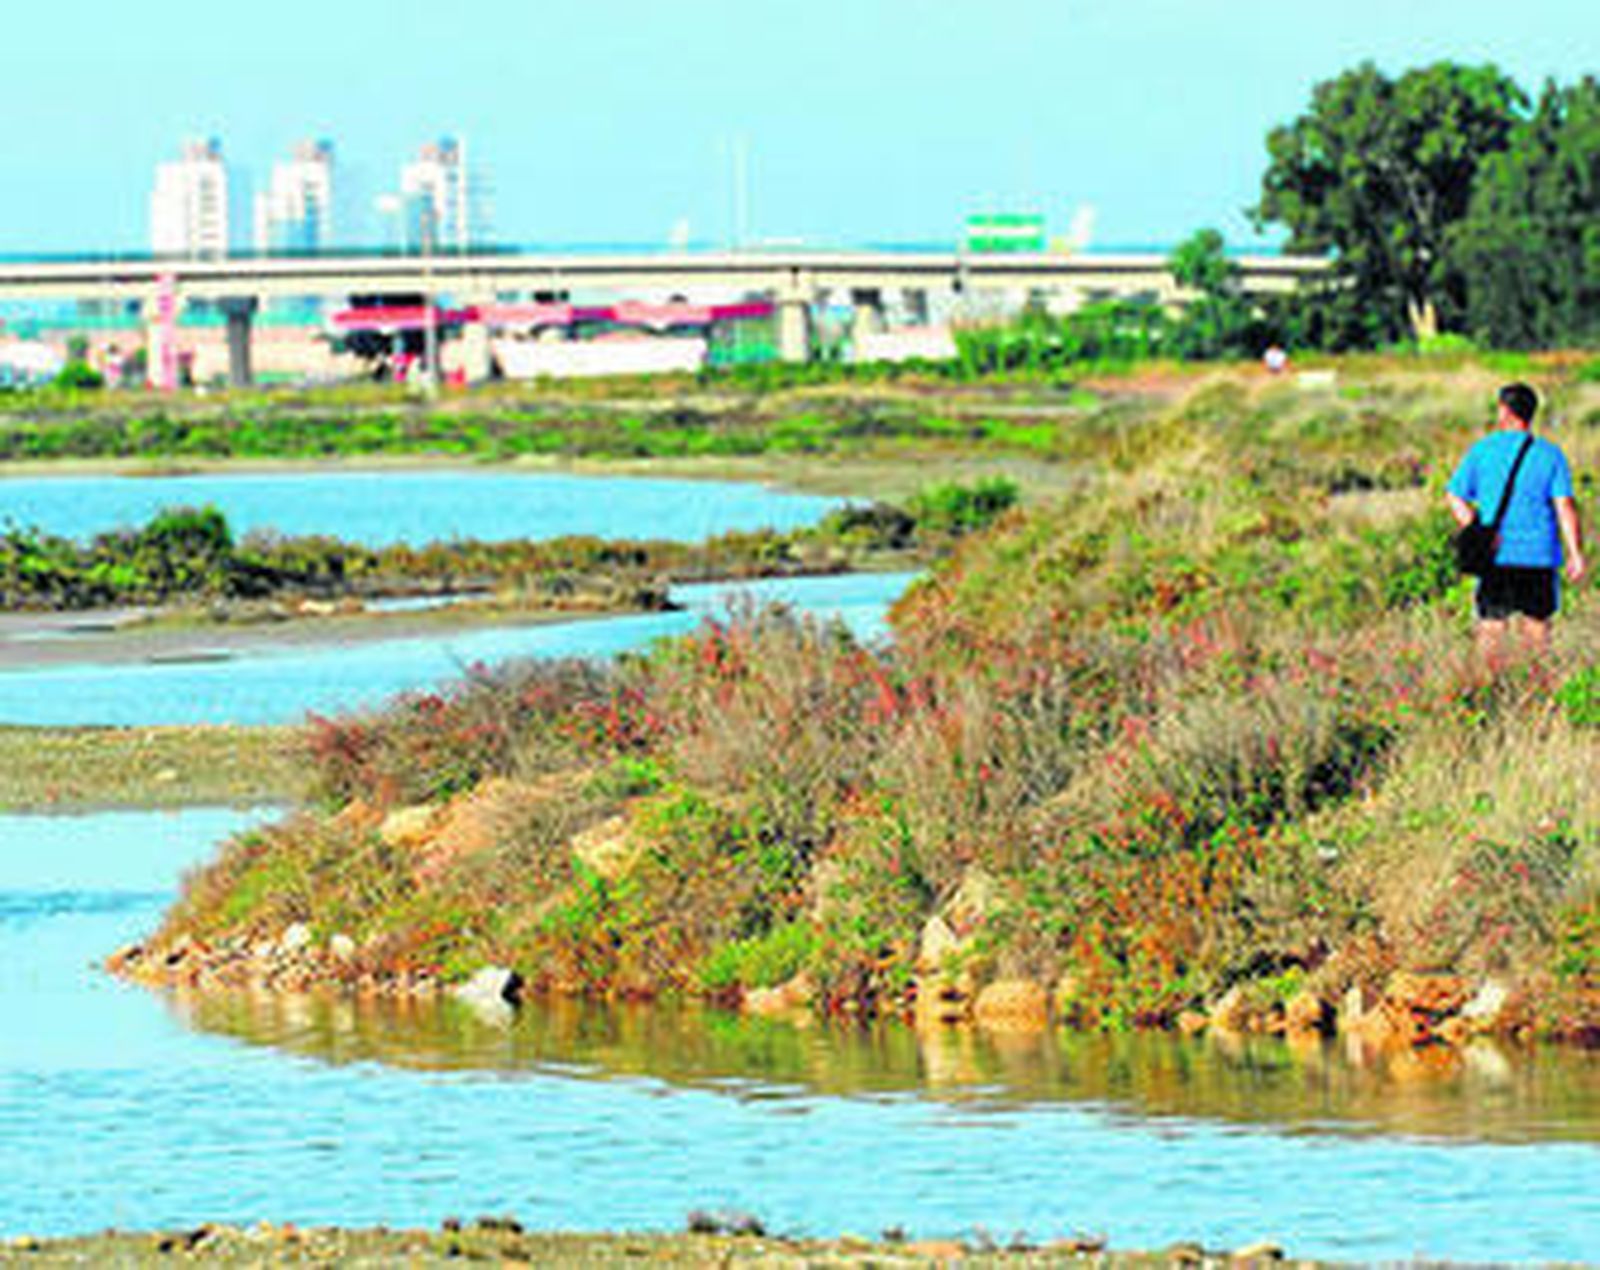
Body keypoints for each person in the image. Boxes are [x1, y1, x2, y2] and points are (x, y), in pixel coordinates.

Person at [1446, 383, 1586, 673]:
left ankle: (1488, 687)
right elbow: (1565, 506)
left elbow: (1454, 495)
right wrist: (1575, 553)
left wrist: (1476, 528)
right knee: (1537, 628)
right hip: (1538, 555)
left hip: (1496, 554)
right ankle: (1536, 688)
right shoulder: (1550, 455)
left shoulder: (1482, 450)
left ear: (1504, 411)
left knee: (1491, 627)